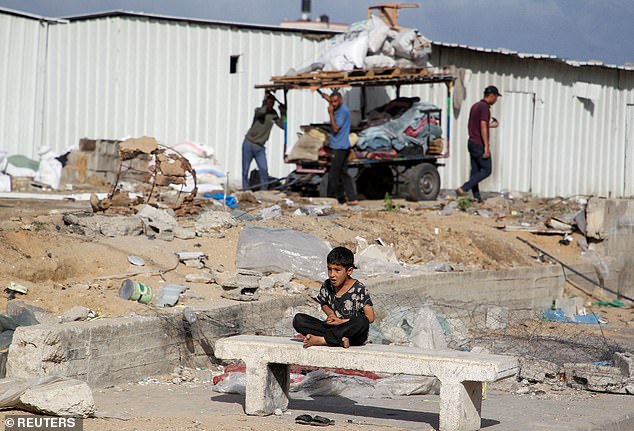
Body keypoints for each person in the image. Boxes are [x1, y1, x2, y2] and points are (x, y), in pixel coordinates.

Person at [293, 246, 374, 348]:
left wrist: (341, 322)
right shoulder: (327, 285)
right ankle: (339, 340)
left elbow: (370, 317)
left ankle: (324, 340)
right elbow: (324, 303)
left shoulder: (359, 289)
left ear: (349, 271)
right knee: (299, 319)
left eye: (337, 270)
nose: (332, 274)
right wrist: (331, 315)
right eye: (329, 269)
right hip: (333, 328)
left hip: (352, 332)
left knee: (362, 321)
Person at [456, 85, 501, 203]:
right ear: (491, 96)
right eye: (496, 97)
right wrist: (486, 146)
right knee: (487, 170)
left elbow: (475, 124)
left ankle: (477, 198)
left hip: (471, 141)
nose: (496, 100)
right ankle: (464, 188)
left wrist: (491, 125)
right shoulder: (485, 108)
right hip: (478, 143)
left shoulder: (475, 106)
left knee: (475, 171)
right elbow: (482, 126)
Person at [319, 90, 358, 205]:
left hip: (339, 147)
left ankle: (329, 198)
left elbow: (335, 128)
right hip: (343, 146)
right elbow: (333, 101)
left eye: (335, 102)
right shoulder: (340, 106)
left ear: (341, 100)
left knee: (333, 174)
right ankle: (350, 198)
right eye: (332, 102)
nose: (333, 104)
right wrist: (326, 97)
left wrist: (330, 113)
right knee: (343, 173)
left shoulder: (341, 112)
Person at [241, 92, 285, 190]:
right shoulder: (259, 111)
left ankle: (263, 190)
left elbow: (282, 125)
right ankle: (245, 189)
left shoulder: (273, 114)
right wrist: (265, 103)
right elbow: (261, 112)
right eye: (269, 102)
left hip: (260, 147)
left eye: (272, 102)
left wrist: (283, 112)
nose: (271, 104)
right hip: (249, 143)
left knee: (264, 169)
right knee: (245, 170)